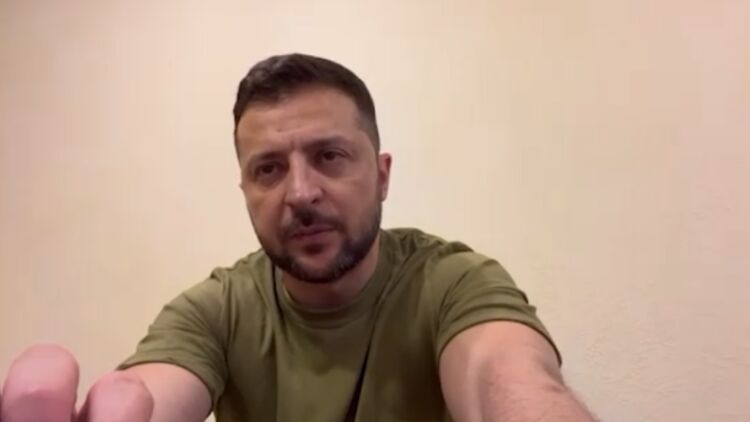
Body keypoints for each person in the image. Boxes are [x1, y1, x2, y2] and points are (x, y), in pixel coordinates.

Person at [0, 53, 596, 421]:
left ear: (382, 176)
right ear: (245, 190)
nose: (301, 193)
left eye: (329, 156)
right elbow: (151, 395)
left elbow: (508, 381)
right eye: (268, 169)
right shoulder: (217, 311)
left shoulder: (452, 284)